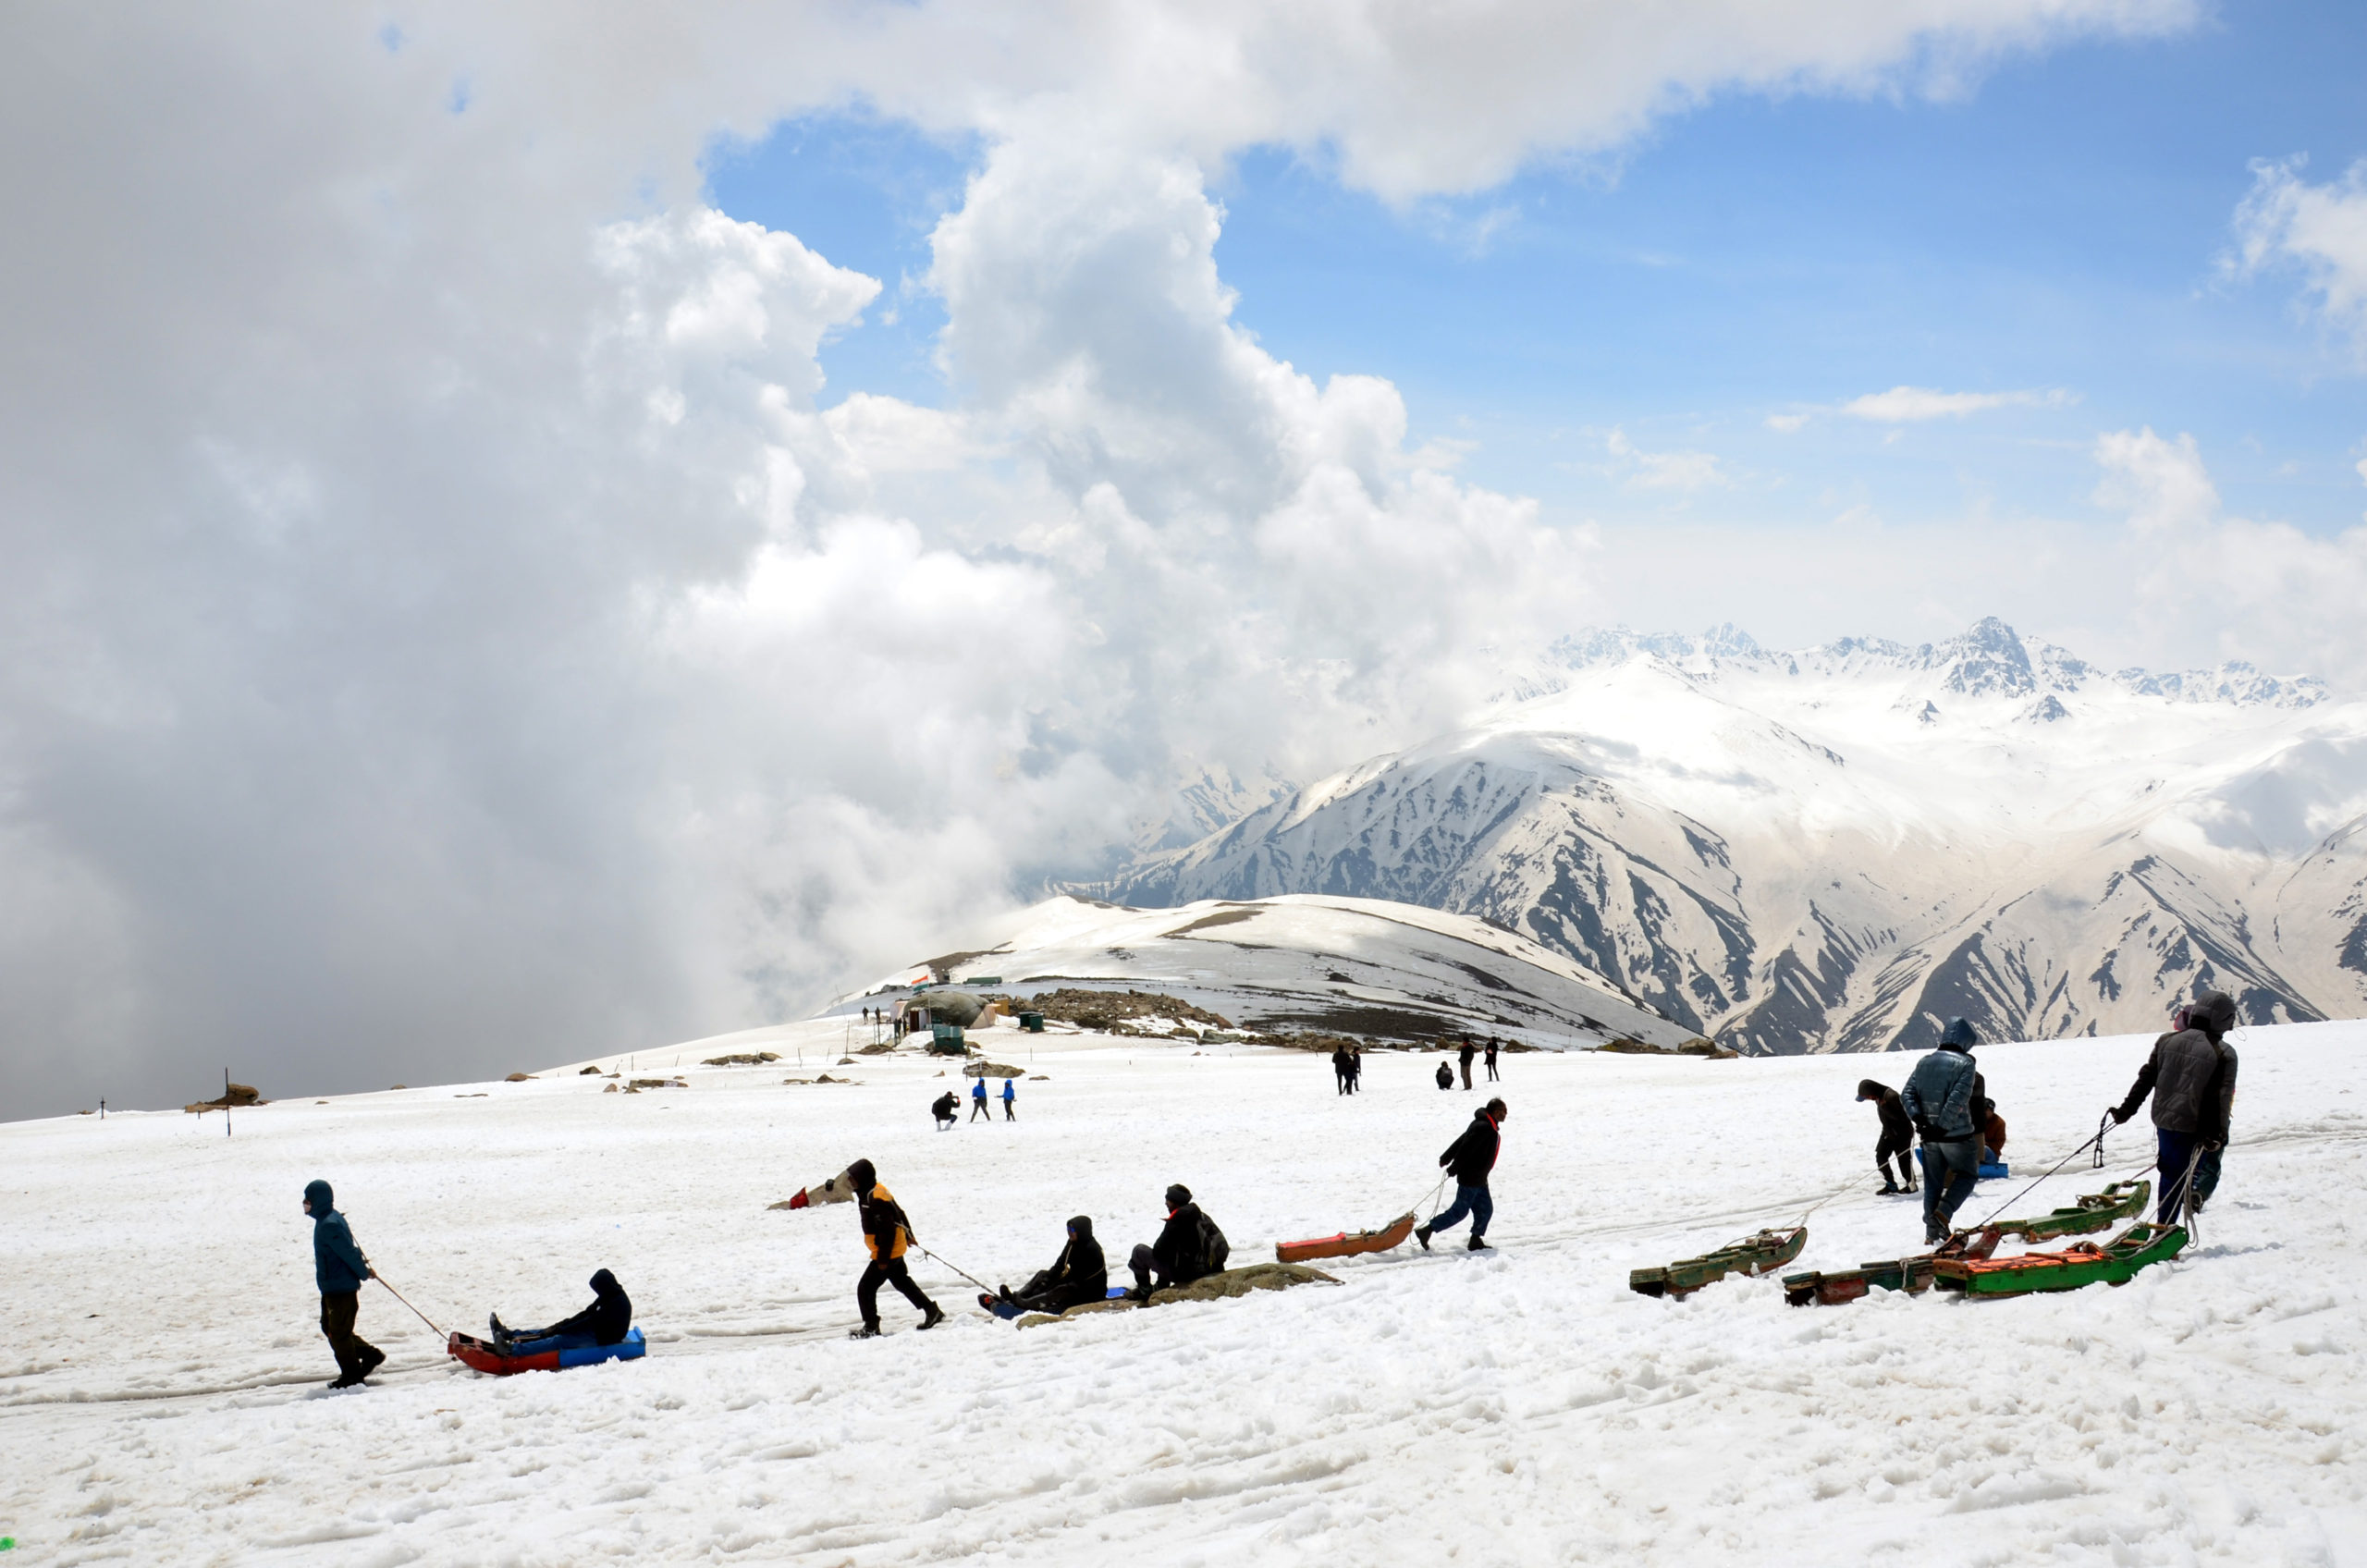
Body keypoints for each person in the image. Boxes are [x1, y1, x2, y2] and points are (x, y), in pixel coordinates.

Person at [2110, 989, 2240, 1223]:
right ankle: (2166, 1227)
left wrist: (2125, 1111)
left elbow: (2145, 1079)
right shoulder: (2224, 1054)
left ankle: (2166, 1222)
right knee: (2183, 1176)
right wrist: (2219, 1134)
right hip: (2194, 1127)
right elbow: (2221, 1100)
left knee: (2170, 1173)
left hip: (2163, 1121)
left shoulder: (2166, 1041)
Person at [1902, 1018, 1982, 1243]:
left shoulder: (1924, 1062)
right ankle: (1943, 1213)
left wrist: (1920, 1119)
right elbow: (1957, 1100)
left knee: (1933, 1183)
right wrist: (1942, 1127)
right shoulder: (1966, 1064)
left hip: (1928, 1137)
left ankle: (1931, 1233)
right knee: (1967, 1176)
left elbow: (1906, 1094)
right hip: (1957, 1135)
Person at [845, 1158, 944, 1337]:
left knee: (865, 1288)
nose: (850, 1181)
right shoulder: (876, 1191)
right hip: (894, 1248)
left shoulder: (874, 1198)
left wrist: (882, 1259)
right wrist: (909, 1235)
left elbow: (887, 1231)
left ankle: (871, 1327)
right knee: (902, 1282)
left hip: (887, 1251)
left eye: (853, 1178)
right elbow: (900, 1212)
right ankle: (932, 1311)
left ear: (863, 1177)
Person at [303, 1179, 384, 1389]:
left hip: (340, 1288)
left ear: (318, 1201)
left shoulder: (329, 1225)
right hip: (332, 1286)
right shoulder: (327, 1219)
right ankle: (370, 1355)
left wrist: (364, 1272)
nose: (305, 1203)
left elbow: (349, 1252)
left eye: (308, 1200)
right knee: (329, 1327)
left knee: (338, 1333)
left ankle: (352, 1376)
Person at [1417, 1097, 1505, 1252]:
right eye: (1503, 1111)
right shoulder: (1484, 1127)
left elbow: (1462, 1139)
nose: (1505, 1114)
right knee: (1459, 1212)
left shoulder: (1487, 1125)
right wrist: (1453, 1167)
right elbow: (1466, 1147)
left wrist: (1446, 1157)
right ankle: (1427, 1231)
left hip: (1480, 1178)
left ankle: (1475, 1240)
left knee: (1485, 1210)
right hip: (1471, 1178)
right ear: (1495, 1112)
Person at [987, 1217, 1109, 1317]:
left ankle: (1027, 1304)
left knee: (1061, 1289)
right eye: (1068, 1229)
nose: (1069, 1232)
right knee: (1043, 1275)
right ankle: (1018, 1296)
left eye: (1072, 1229)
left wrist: (1055, 1286)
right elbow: (1060, 1265)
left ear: (1082, 1231)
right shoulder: (1072, 1243)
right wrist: (1046, 1281)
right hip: (1075, 1281)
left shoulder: (1092, 1250)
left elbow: (1081, 1280)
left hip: (1091, 1291)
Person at [491, 1269, 632, 1354]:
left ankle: (512, 1350)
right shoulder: (609, 1294)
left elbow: (589, 1321)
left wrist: (562, 1330)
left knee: (558, 1340)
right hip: (597, 1330)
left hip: (604, 1338)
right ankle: (509, 1334)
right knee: (550, 1330)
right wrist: (562, 1325)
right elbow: (587, 1313)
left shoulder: (616, 1304)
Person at [1128, 1183, 1228, 1299]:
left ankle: (1144, 1291)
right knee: (1170, 1249)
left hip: (1188, 1274)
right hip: (1208, 1269)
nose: (1166, 1203)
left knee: (1139, 1252)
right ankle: (1160, 1286)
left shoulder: (1177, 1220)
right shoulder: (1200, 1215)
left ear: (1175, 1202)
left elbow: (1158, 1251)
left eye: (1168, 1200)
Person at [1856, 1079, 1918, 1194]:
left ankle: (1912, 1185)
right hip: (1888, 1133)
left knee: (1903, 1161)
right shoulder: (1878, 1097)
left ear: (1872, 1092)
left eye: (1867, 1097)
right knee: (1881, 1156)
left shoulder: (1891, 1097)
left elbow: (1904, 1117)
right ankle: (1891, 1184)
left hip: (1902, 1134)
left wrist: (1885, 1108)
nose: (1868, 1099)